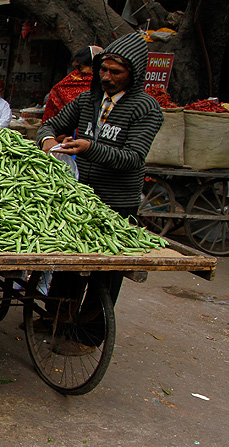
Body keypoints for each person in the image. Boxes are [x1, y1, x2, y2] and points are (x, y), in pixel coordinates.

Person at [35, 32, 163, 355]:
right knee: (67, 262)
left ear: (133, 74)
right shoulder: (88, 101)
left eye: (115, 72)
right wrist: (49, 142)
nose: (106, 77)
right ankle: (56, 317)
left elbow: (133, 157)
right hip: (81, 199)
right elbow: (50, 124)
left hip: (116, 202)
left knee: (104, 274)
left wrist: (90, 148)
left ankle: (87, 338)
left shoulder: (146, 109)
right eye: (103, 70)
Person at [43, 46, 103, 121]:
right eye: (76, 69)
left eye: (80, 68)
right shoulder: (68, 84)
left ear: (94, 66)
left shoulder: (107, 87)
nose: (76, 74)